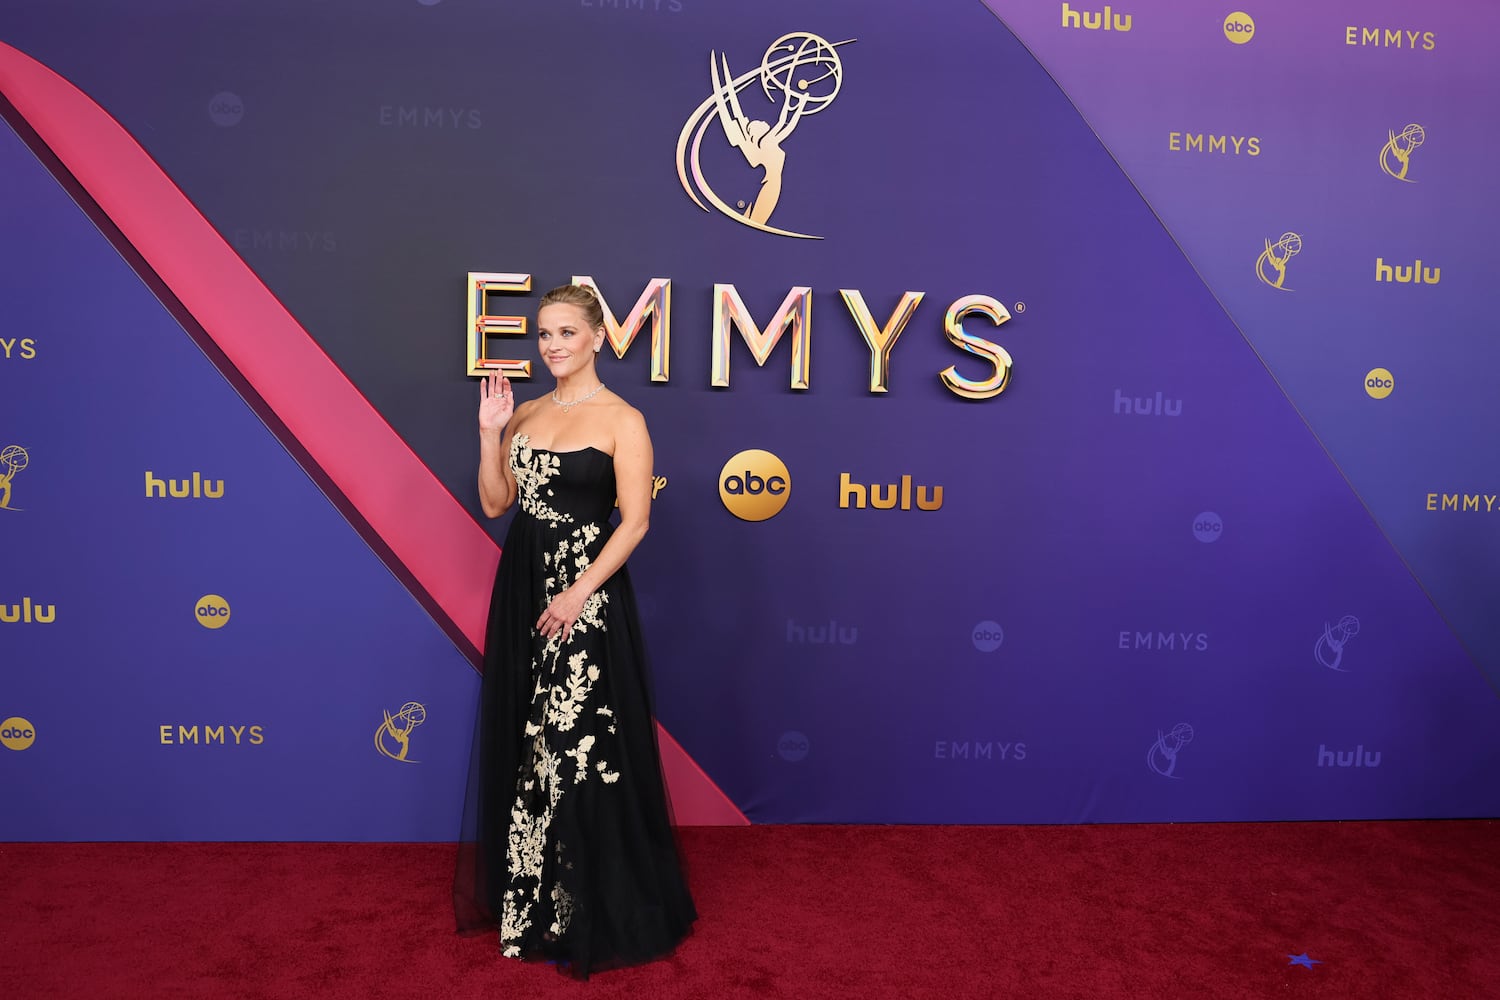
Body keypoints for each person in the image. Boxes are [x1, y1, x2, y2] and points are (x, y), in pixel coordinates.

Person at [454, 284, 696, 979]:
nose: (553, 345)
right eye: (544, 334)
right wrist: (490, 432)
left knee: (576, 747)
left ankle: (589, 903)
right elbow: (498, 503)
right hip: (524, 586)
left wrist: (577, 592)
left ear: (598, 337)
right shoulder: (526, 410)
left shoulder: (623, 418)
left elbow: (637, 521)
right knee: (528, 739)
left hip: (583, 594)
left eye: (566, 332)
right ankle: (532, 904)